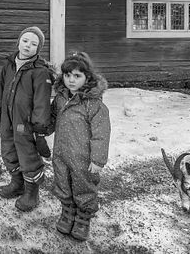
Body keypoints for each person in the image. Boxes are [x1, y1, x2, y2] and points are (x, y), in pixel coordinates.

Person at [50, 51, 111, 241]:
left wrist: (98, 159)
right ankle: (68, 211)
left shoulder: (93, 104)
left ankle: (83, 217)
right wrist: (40, 130)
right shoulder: (60, 98)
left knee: (83, 186)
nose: (71, 80)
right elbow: (52, 119)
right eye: (67, 75)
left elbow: (101, 133)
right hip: (61, 154)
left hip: (83, 158)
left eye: (77, 76)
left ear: (87, 77)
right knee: (63, 183)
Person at [0, 26, 55, 212]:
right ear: (19, 42)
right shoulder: (10, 64)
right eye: (25, 41)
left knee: (27, 154)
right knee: (9, 150)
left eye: (34, 44)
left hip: (26, 123)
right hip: (8, 118)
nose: (28, 45)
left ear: (38, 49)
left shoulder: (40, 72)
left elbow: (41, 103)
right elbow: (1, 89)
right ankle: (17, 182)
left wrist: (39, 130)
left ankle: (31, 191)